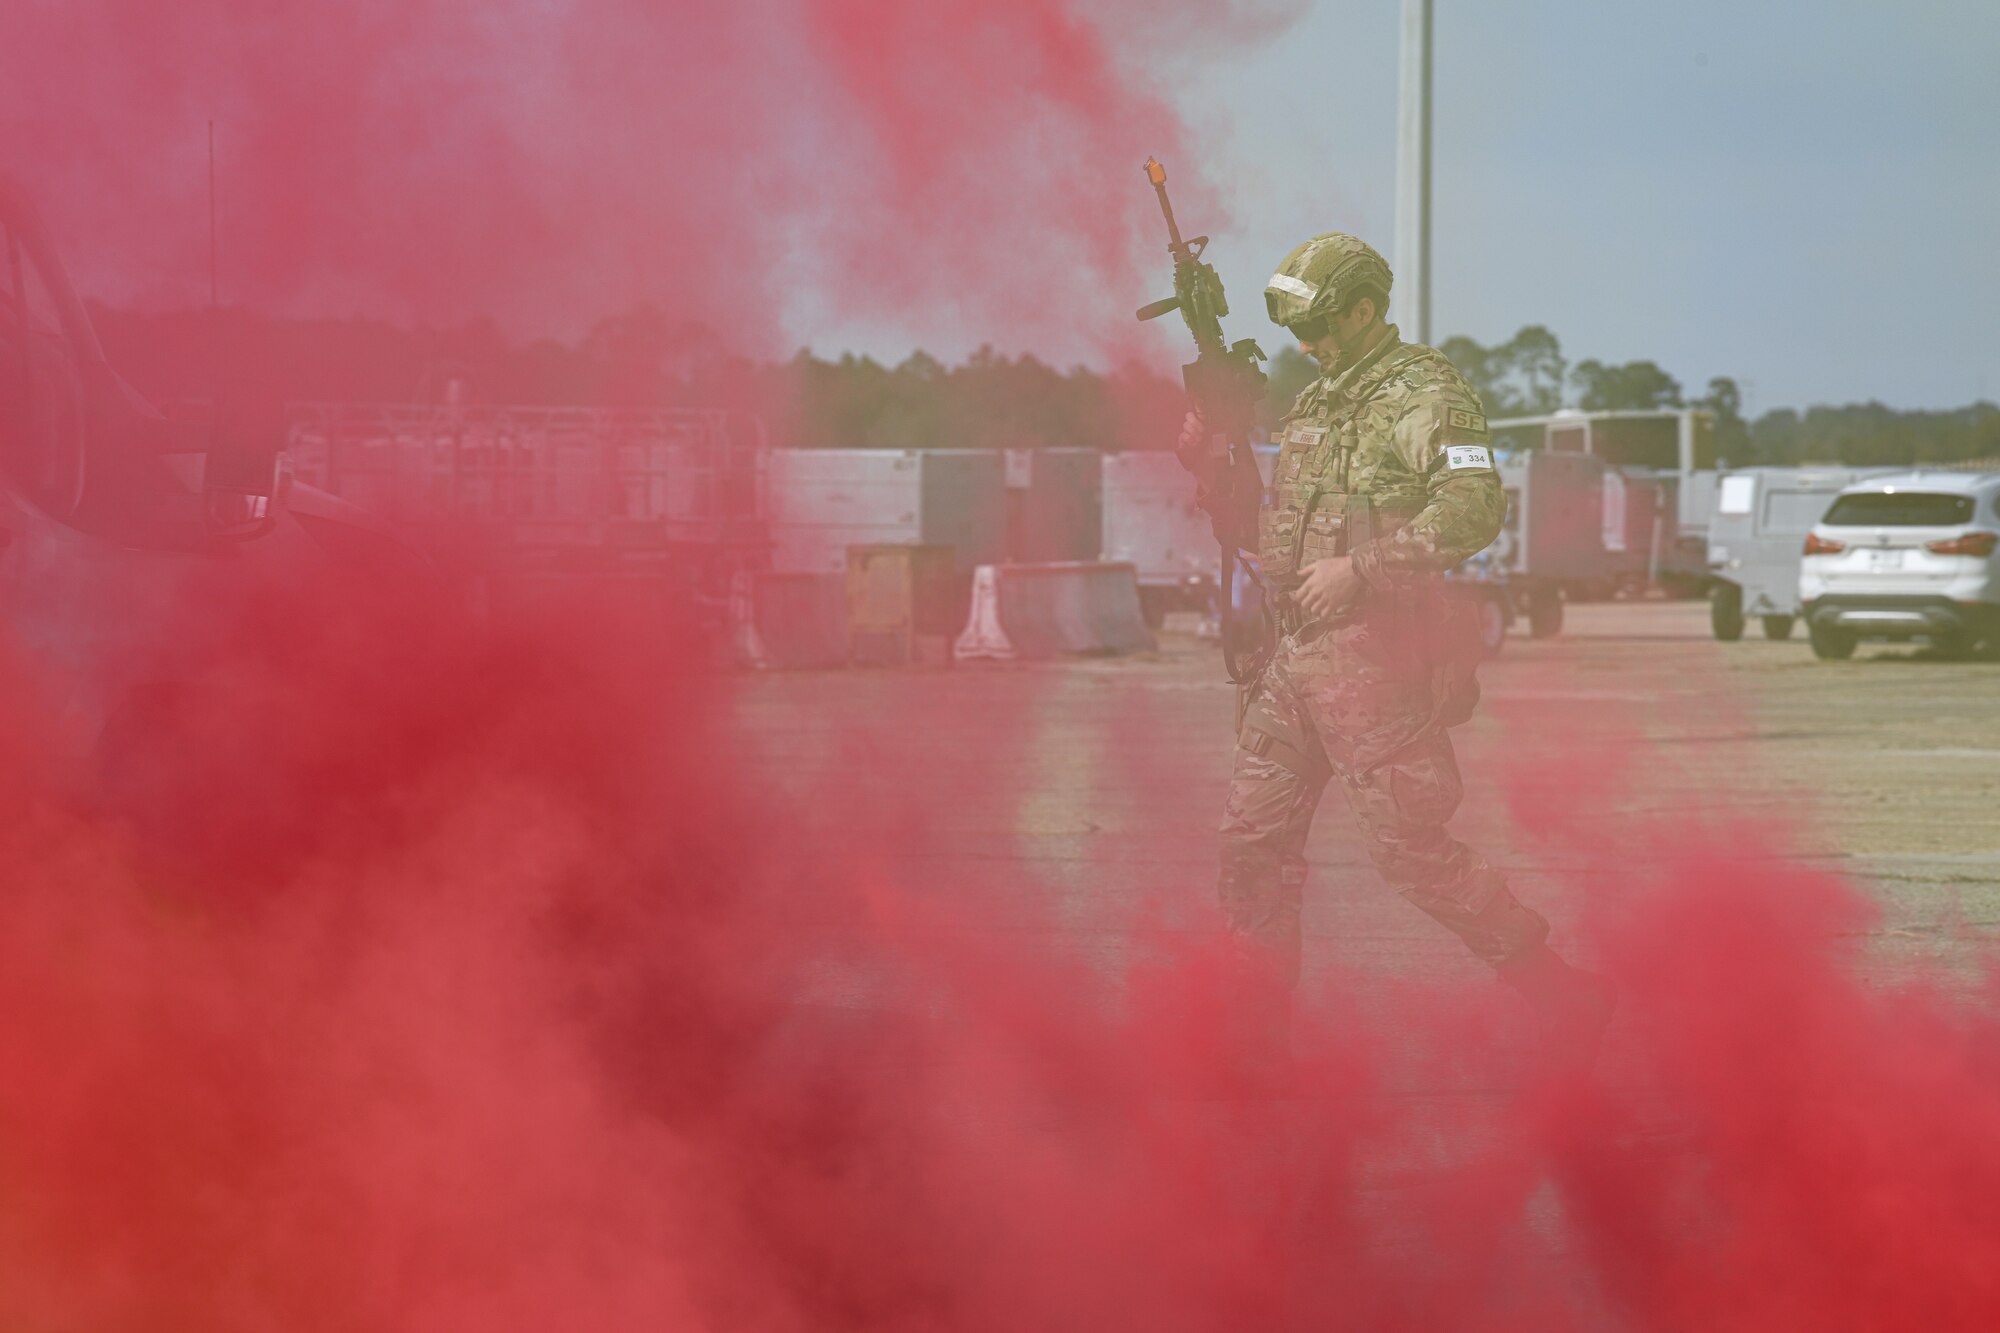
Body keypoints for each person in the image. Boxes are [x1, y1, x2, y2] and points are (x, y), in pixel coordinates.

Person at [1179, 232, 1612, 1077]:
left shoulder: (1428, 396)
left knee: (1410, 851)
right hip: (1294, 659)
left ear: (1367, 308)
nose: (1308, 346)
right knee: (1252, 846)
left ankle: (1560, 991)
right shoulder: (1317, 402)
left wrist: (1363, 568)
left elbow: (1476, 507)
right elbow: (1268, 524)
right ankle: (1255, 1044)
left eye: (1322, 326)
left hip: (1376, 662)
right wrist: (1210, 453)